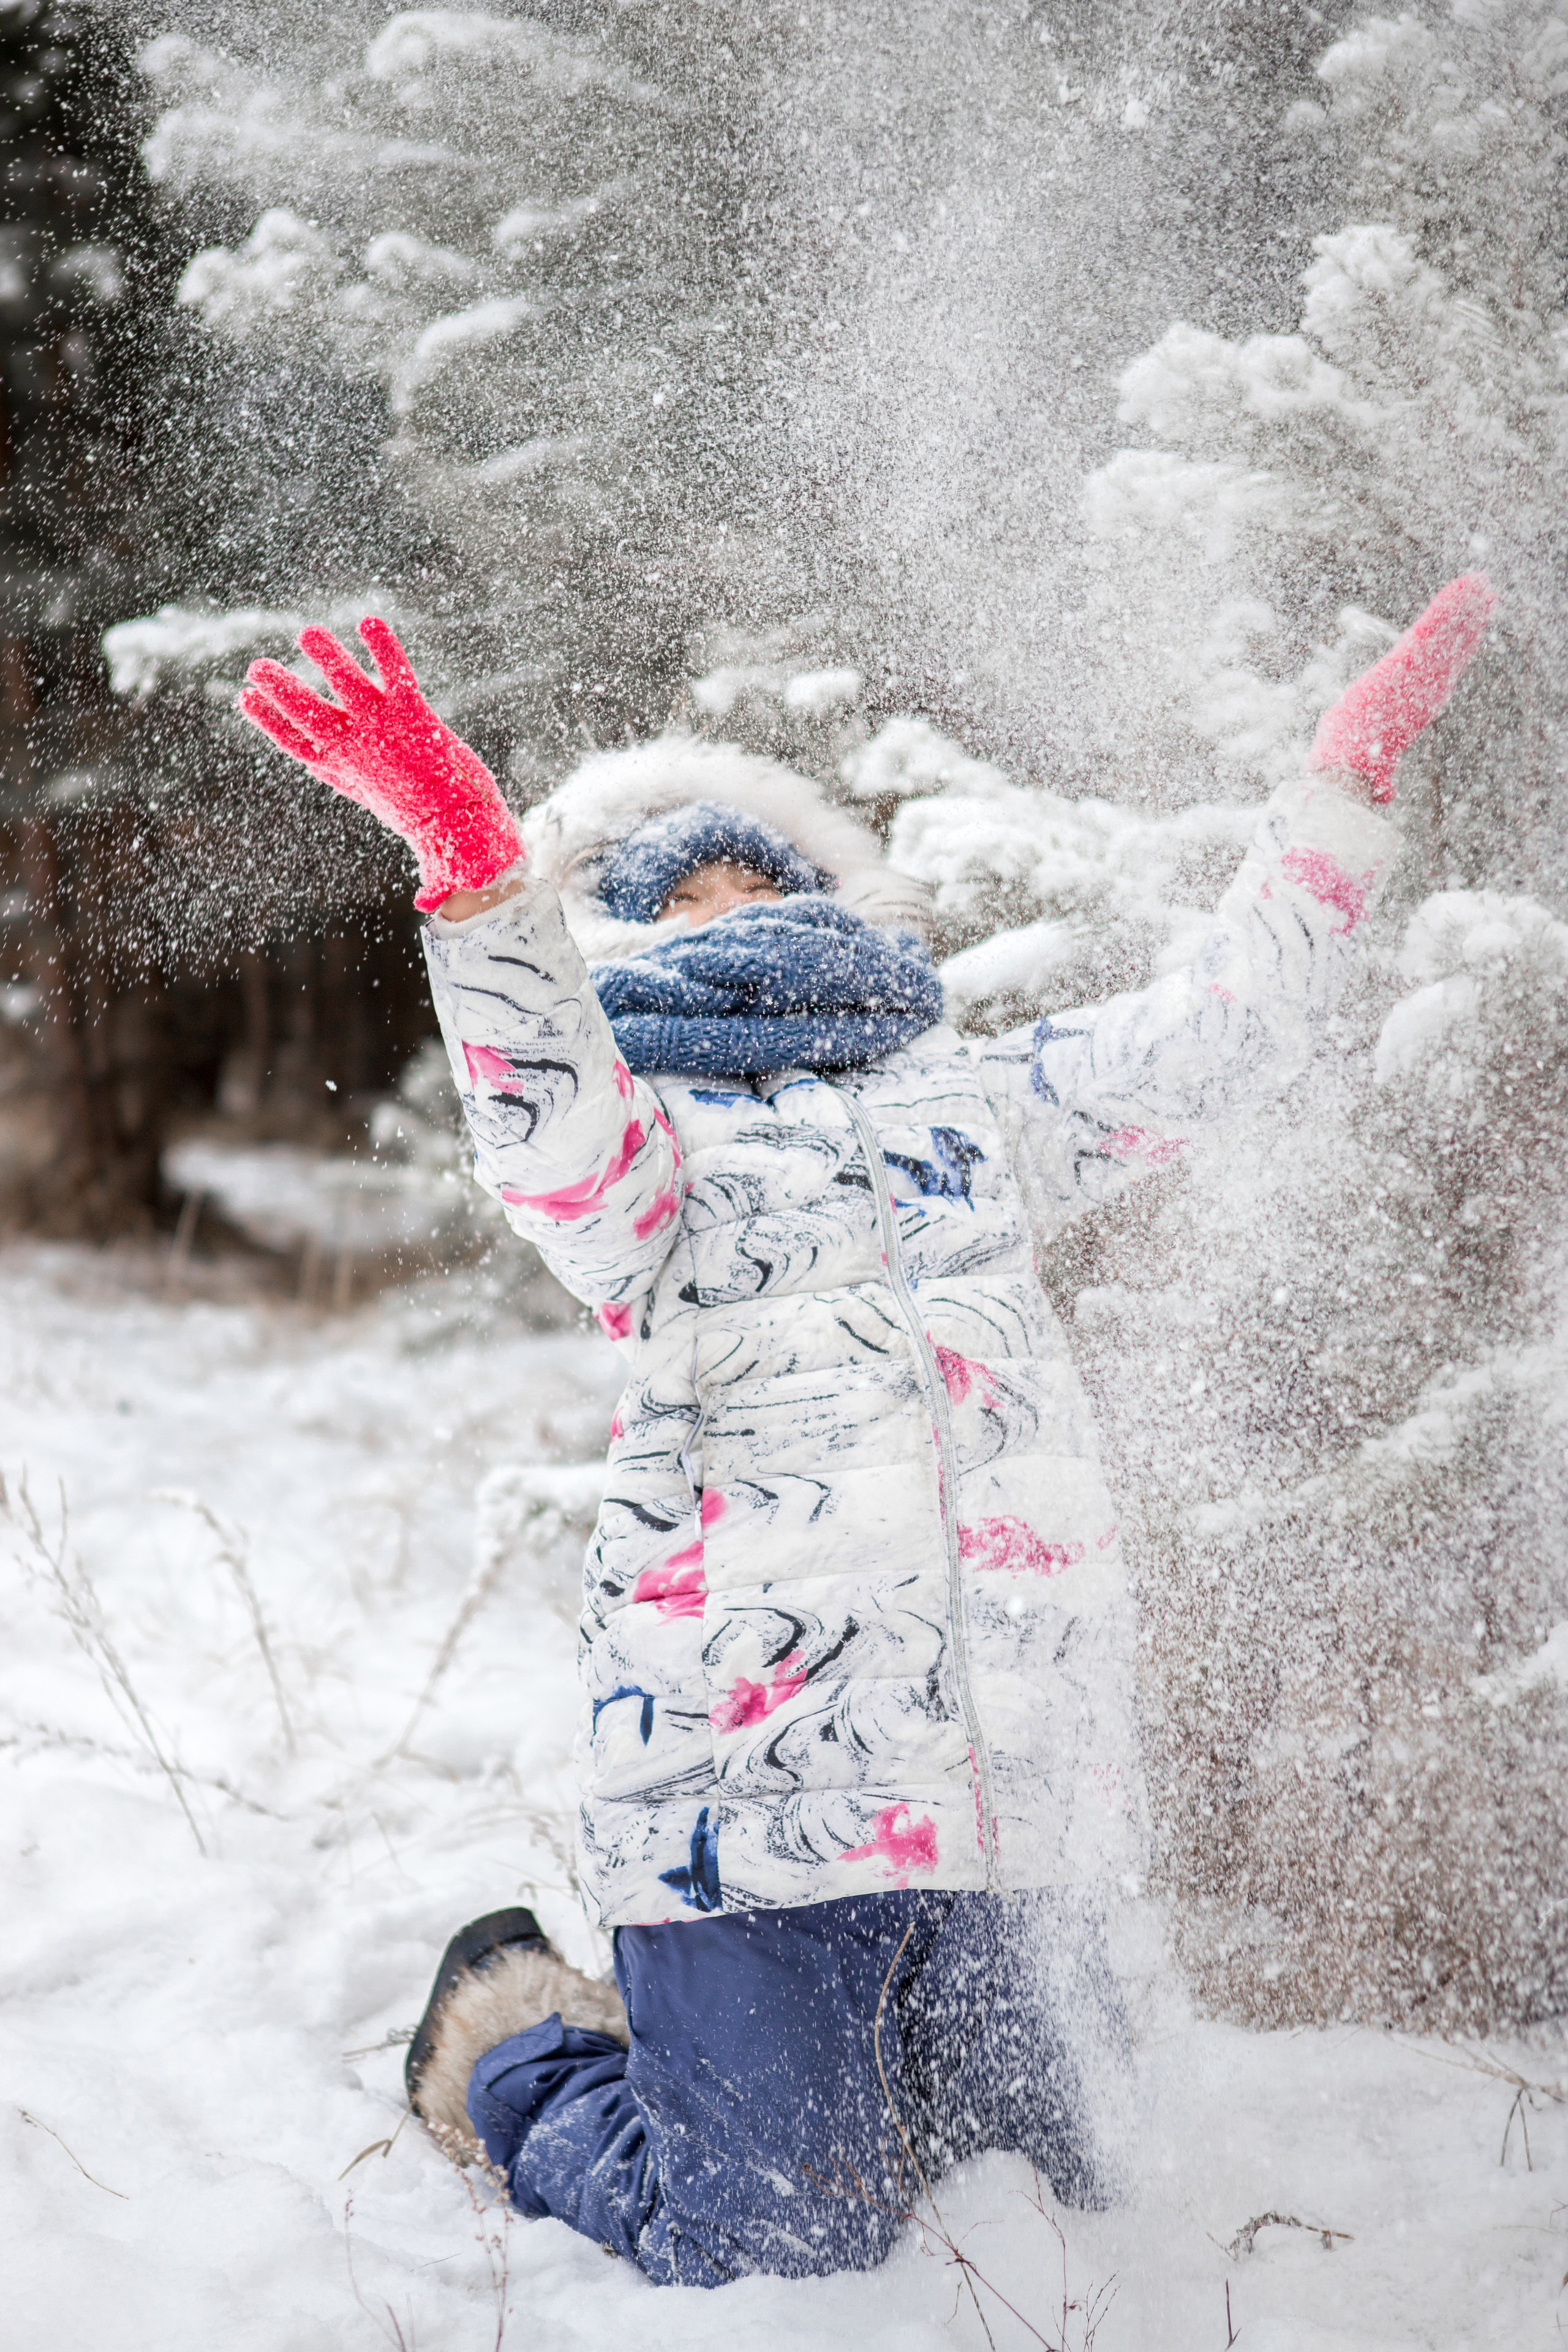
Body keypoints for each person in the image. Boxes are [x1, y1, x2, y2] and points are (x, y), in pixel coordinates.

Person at [241, 574, 1496, 2285]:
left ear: (842, 904)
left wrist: (1336, 798)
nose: (730, 903)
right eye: (676, 892)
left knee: (1064, 2213)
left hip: (1018, 1791)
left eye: (762, 875)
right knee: (776, 2246)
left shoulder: (972, 1102)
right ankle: (523, 2056)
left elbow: (1224, 1039)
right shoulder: (644, 1145)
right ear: (618, 945)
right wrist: (478, 884)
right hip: (755, 1804)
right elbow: (547, 1141)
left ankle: (809, 2066)